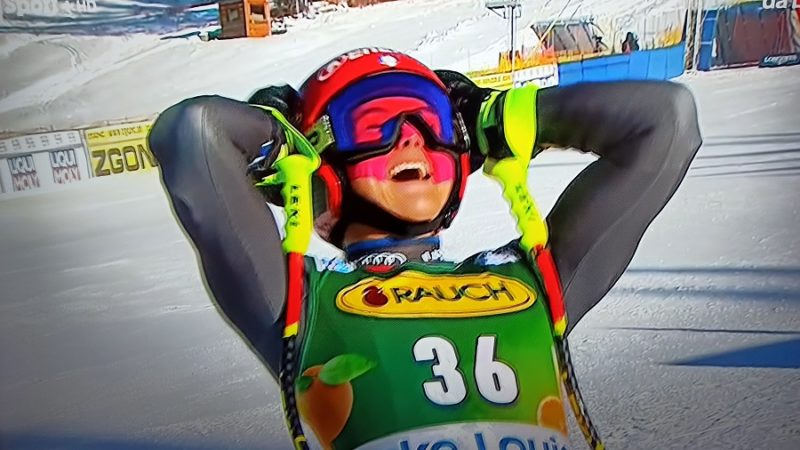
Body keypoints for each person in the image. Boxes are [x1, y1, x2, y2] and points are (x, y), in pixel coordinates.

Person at [148, 48, 702, 450]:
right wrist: (278, 136)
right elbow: (193, 133)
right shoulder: (300, 304)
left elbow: (669, 122)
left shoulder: (532, 281)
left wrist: (496, 115)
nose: (411, 137)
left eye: (433, 121)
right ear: (322, 160)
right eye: (375, 123)